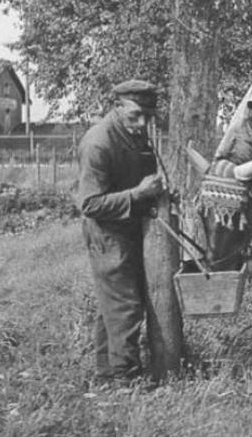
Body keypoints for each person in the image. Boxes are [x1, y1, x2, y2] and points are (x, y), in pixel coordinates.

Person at [77, 79, 165, 384]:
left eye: (148, 117)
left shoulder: (134, 135)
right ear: (117, 107)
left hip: (130, 229)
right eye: (135, 115)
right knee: (126, 307)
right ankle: (127, 381)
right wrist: (138, 195)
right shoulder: (98, 142)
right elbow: (90, 204)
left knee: (112, 306)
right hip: (107, 234)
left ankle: (106, 374)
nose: (142, 124)